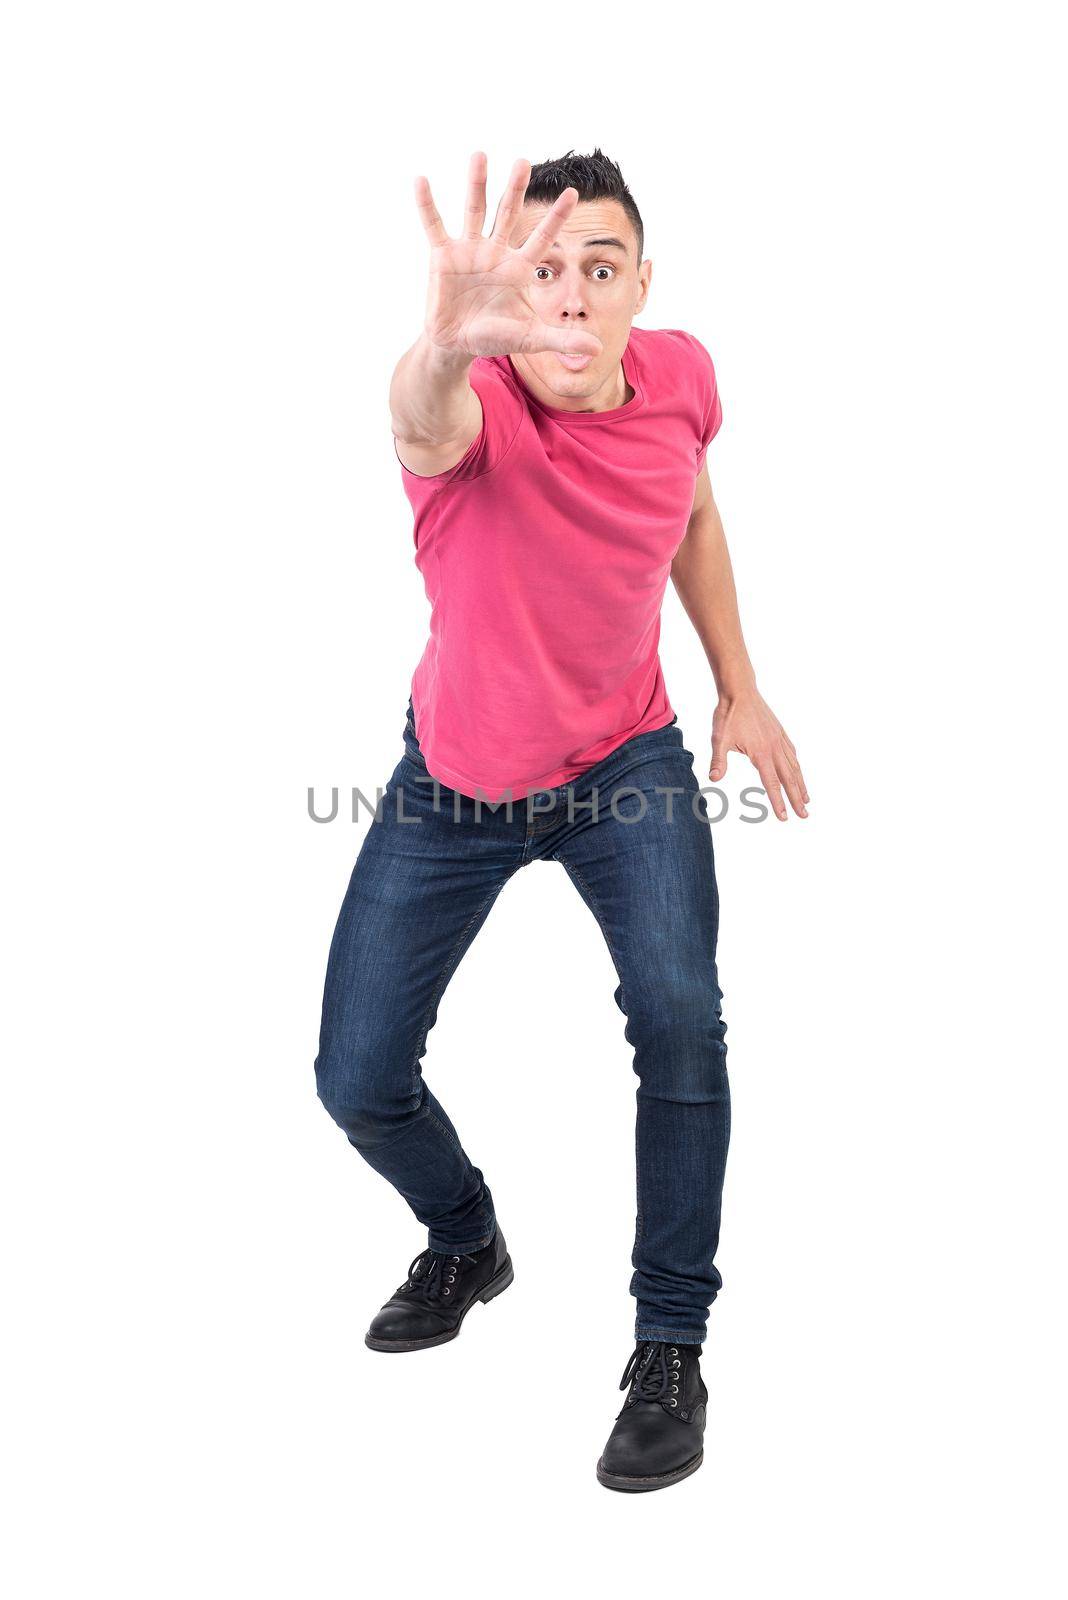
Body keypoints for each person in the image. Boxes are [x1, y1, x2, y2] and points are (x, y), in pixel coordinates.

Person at [314, 149, 808, 1493]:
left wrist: (741, 688)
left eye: (601, 269)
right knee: (355, 1077)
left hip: (626, 762)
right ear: (506, 298)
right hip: (455, 785)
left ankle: (668, 1343)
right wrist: (438, 343)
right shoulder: (468, 406)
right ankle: (466, 1238)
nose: (574, 297)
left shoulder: (684, 376)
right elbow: (416, 418)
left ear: (642, 287)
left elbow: (691, 504)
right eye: (544, 272)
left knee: (681, 1018)